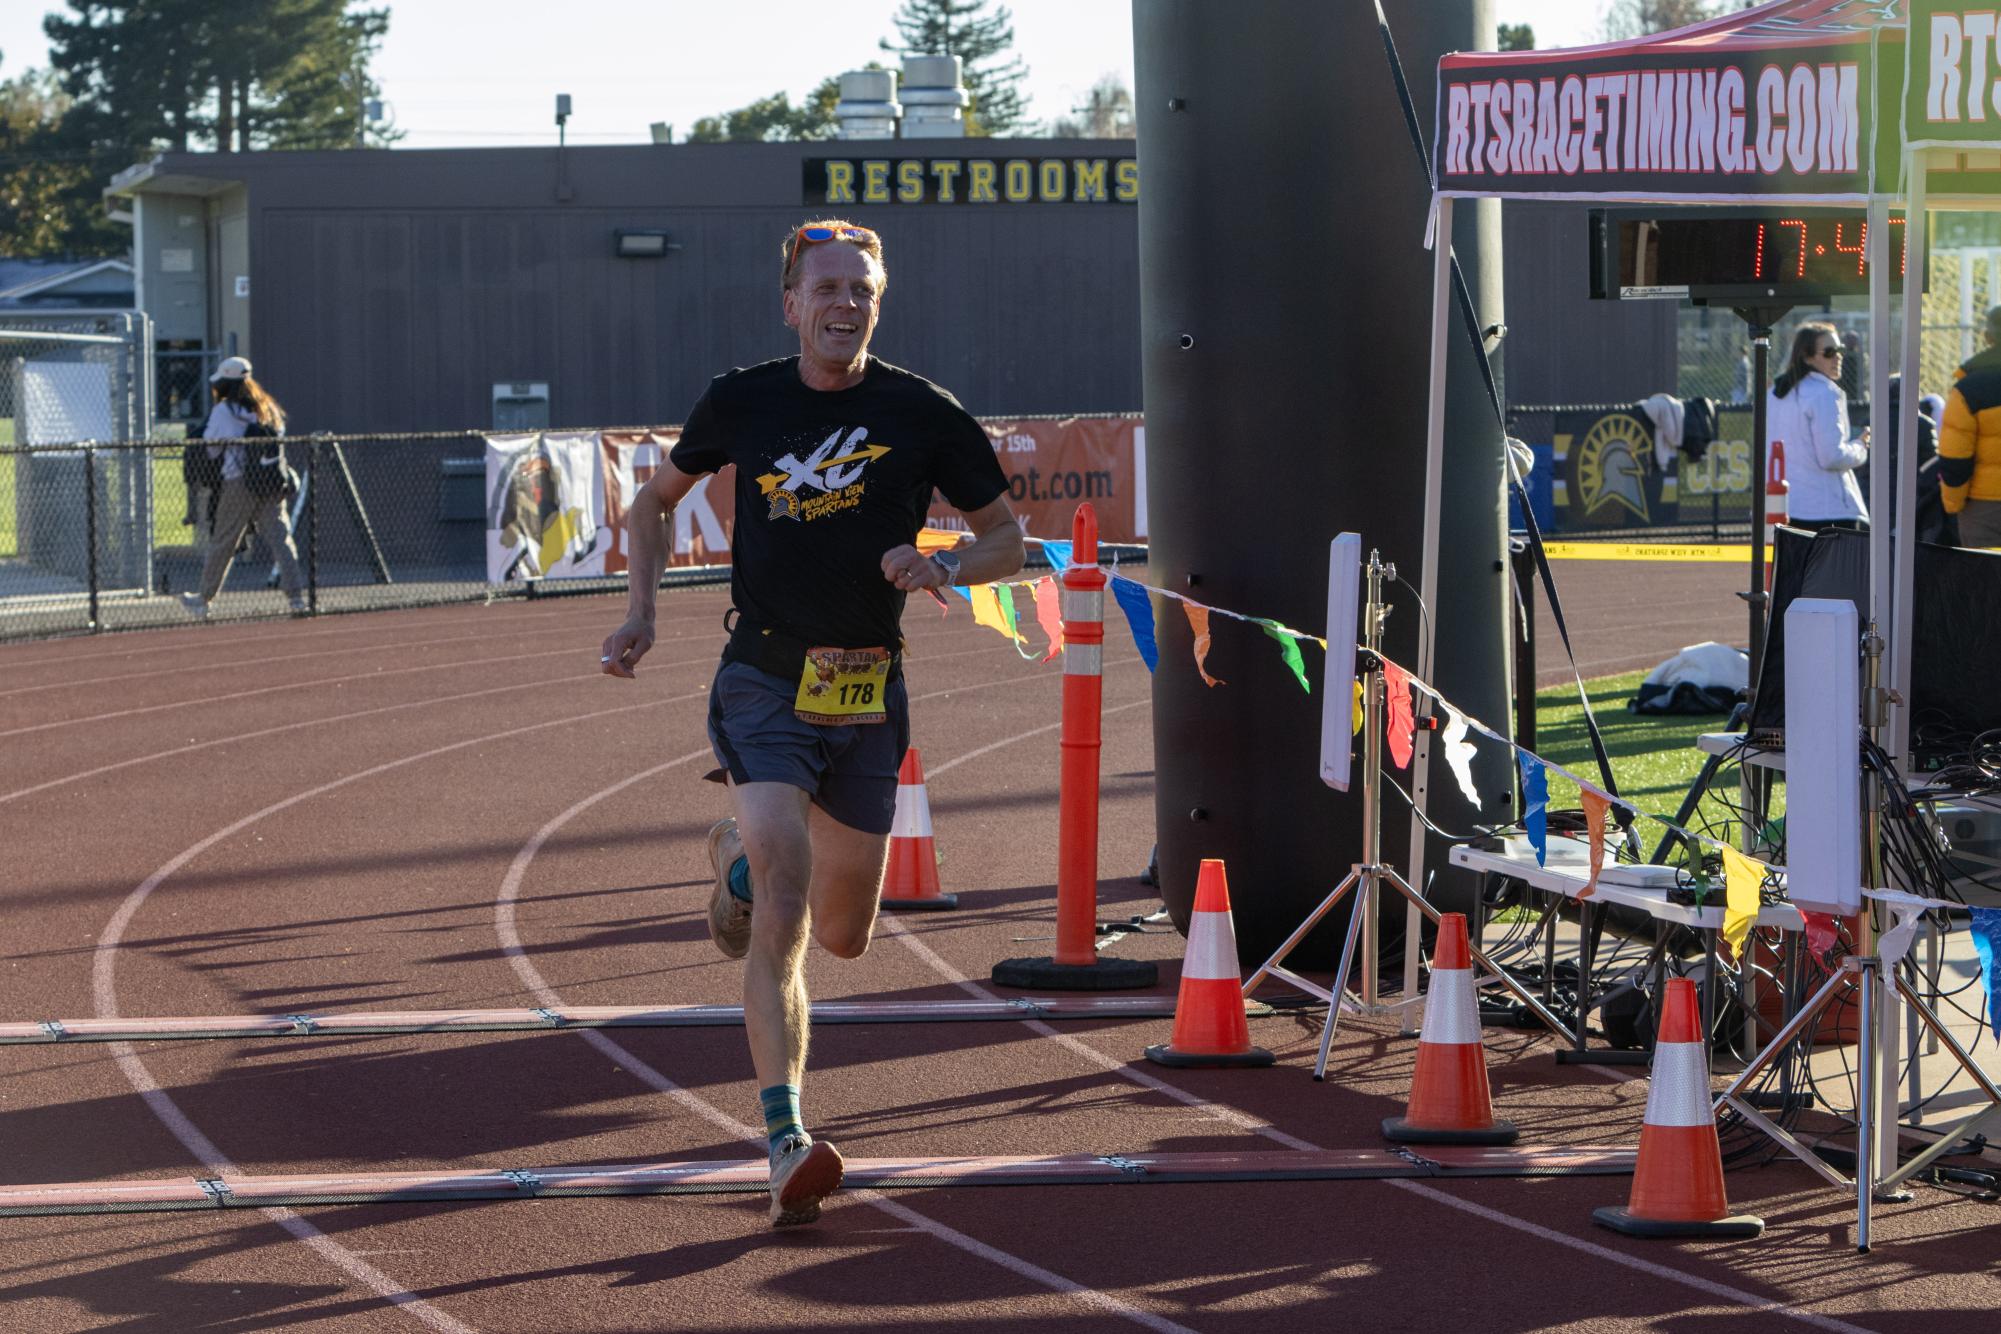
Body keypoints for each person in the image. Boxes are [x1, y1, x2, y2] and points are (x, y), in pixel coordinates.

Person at [599, 220, 1024, 1228]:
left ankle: (736, 861)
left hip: (868, 689)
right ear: (790, 304)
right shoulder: (741, 399)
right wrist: (643, 610)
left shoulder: (921, 412)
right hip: (763, 675)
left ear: (878, 305)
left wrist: (947, 564)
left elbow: (1006, 535)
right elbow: (650, 508)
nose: (844, 304)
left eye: (861, 292)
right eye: (827, 288)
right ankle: (784, 1136)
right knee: (789, 898)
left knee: (844, 933)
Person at [179, 356, 307, 619]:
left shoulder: (225, 411)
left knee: (224, 540)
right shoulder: (267, 408)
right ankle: (296, 598)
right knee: (280, 538)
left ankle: (204, 598)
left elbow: (212, 450)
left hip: (238, 483)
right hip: (271, 483)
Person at [1768, 322, 1868, 532]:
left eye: (1840, 350)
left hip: (1783, 507)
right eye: (1829, 352)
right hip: (1825, 511)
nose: (1838, 356)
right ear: (1807, 356)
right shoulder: (1825, 393)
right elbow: (1831, 456)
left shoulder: (1774, 394)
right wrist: (1860, 447)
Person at [1940, 304, 2001, 548]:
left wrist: (1953, 504)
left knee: (1985, 582)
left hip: (1984, 508)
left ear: (1987, 337)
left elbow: (1955, 459)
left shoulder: (1968, 389)